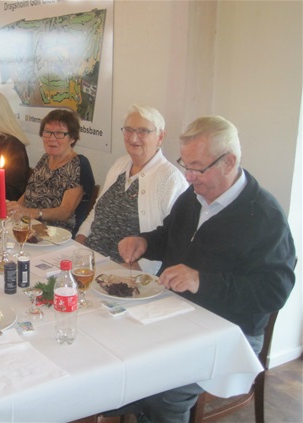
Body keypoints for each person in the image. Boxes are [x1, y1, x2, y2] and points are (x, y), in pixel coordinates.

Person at [115, 115, 296, 423]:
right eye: (185, 165)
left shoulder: (264, 216)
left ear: (229, 162)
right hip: (175, 311)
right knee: (119, 352)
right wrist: (144, 242)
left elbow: (273, 291)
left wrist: (201, 281)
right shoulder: (194, 196)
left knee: (163, 390)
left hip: (230, 333)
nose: (188, 177)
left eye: (197, 168)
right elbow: (169, 234)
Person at [76, 105, 188, 274]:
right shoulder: (120, 164)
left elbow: (174, 238)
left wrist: (138, 268)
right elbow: (98, 208)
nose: (133, 137)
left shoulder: (171, 179)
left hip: (126, 272)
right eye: (128, 130)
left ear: (160, 137)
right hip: (91, 260)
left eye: (143, 131)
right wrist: (80, 238)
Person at [7, 108, 86, 233]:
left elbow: (66, 211)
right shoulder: (45, 158)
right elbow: (29, 193)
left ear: (72, 138)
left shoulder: (78, 164)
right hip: (29, 225)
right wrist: (15, 209)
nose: (51, 138)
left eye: (59, 133)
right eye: (47, 132)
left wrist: (33, 213)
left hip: (55, 233)